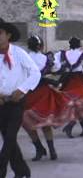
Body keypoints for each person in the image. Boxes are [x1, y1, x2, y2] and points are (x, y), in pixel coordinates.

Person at [22, 35, 75, 161]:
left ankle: (39, 149)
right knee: (45, 122)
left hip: (28, 93)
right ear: (41, 46)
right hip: (43, 92)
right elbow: (58, 69)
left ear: (29, 46)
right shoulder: (46, 58)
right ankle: (52, 150)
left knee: (28, 123)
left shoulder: (25, 58)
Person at [0, 18, 41, 178]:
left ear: (8, 35)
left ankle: (2, 166)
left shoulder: (18, 53)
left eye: (0, 33)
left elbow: (35, 72)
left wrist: (22, 89)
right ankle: (22, 171)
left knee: (10, 136)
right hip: (1, 102)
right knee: (8, 138)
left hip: (17, 101)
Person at [53, 37, 83, 138]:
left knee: (73, 105)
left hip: (67, 81)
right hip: (78, 81)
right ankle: (70, 125)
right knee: (81, 104)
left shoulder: (62, 54)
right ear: (79, 45)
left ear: (69, 45)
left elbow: (56, 66)